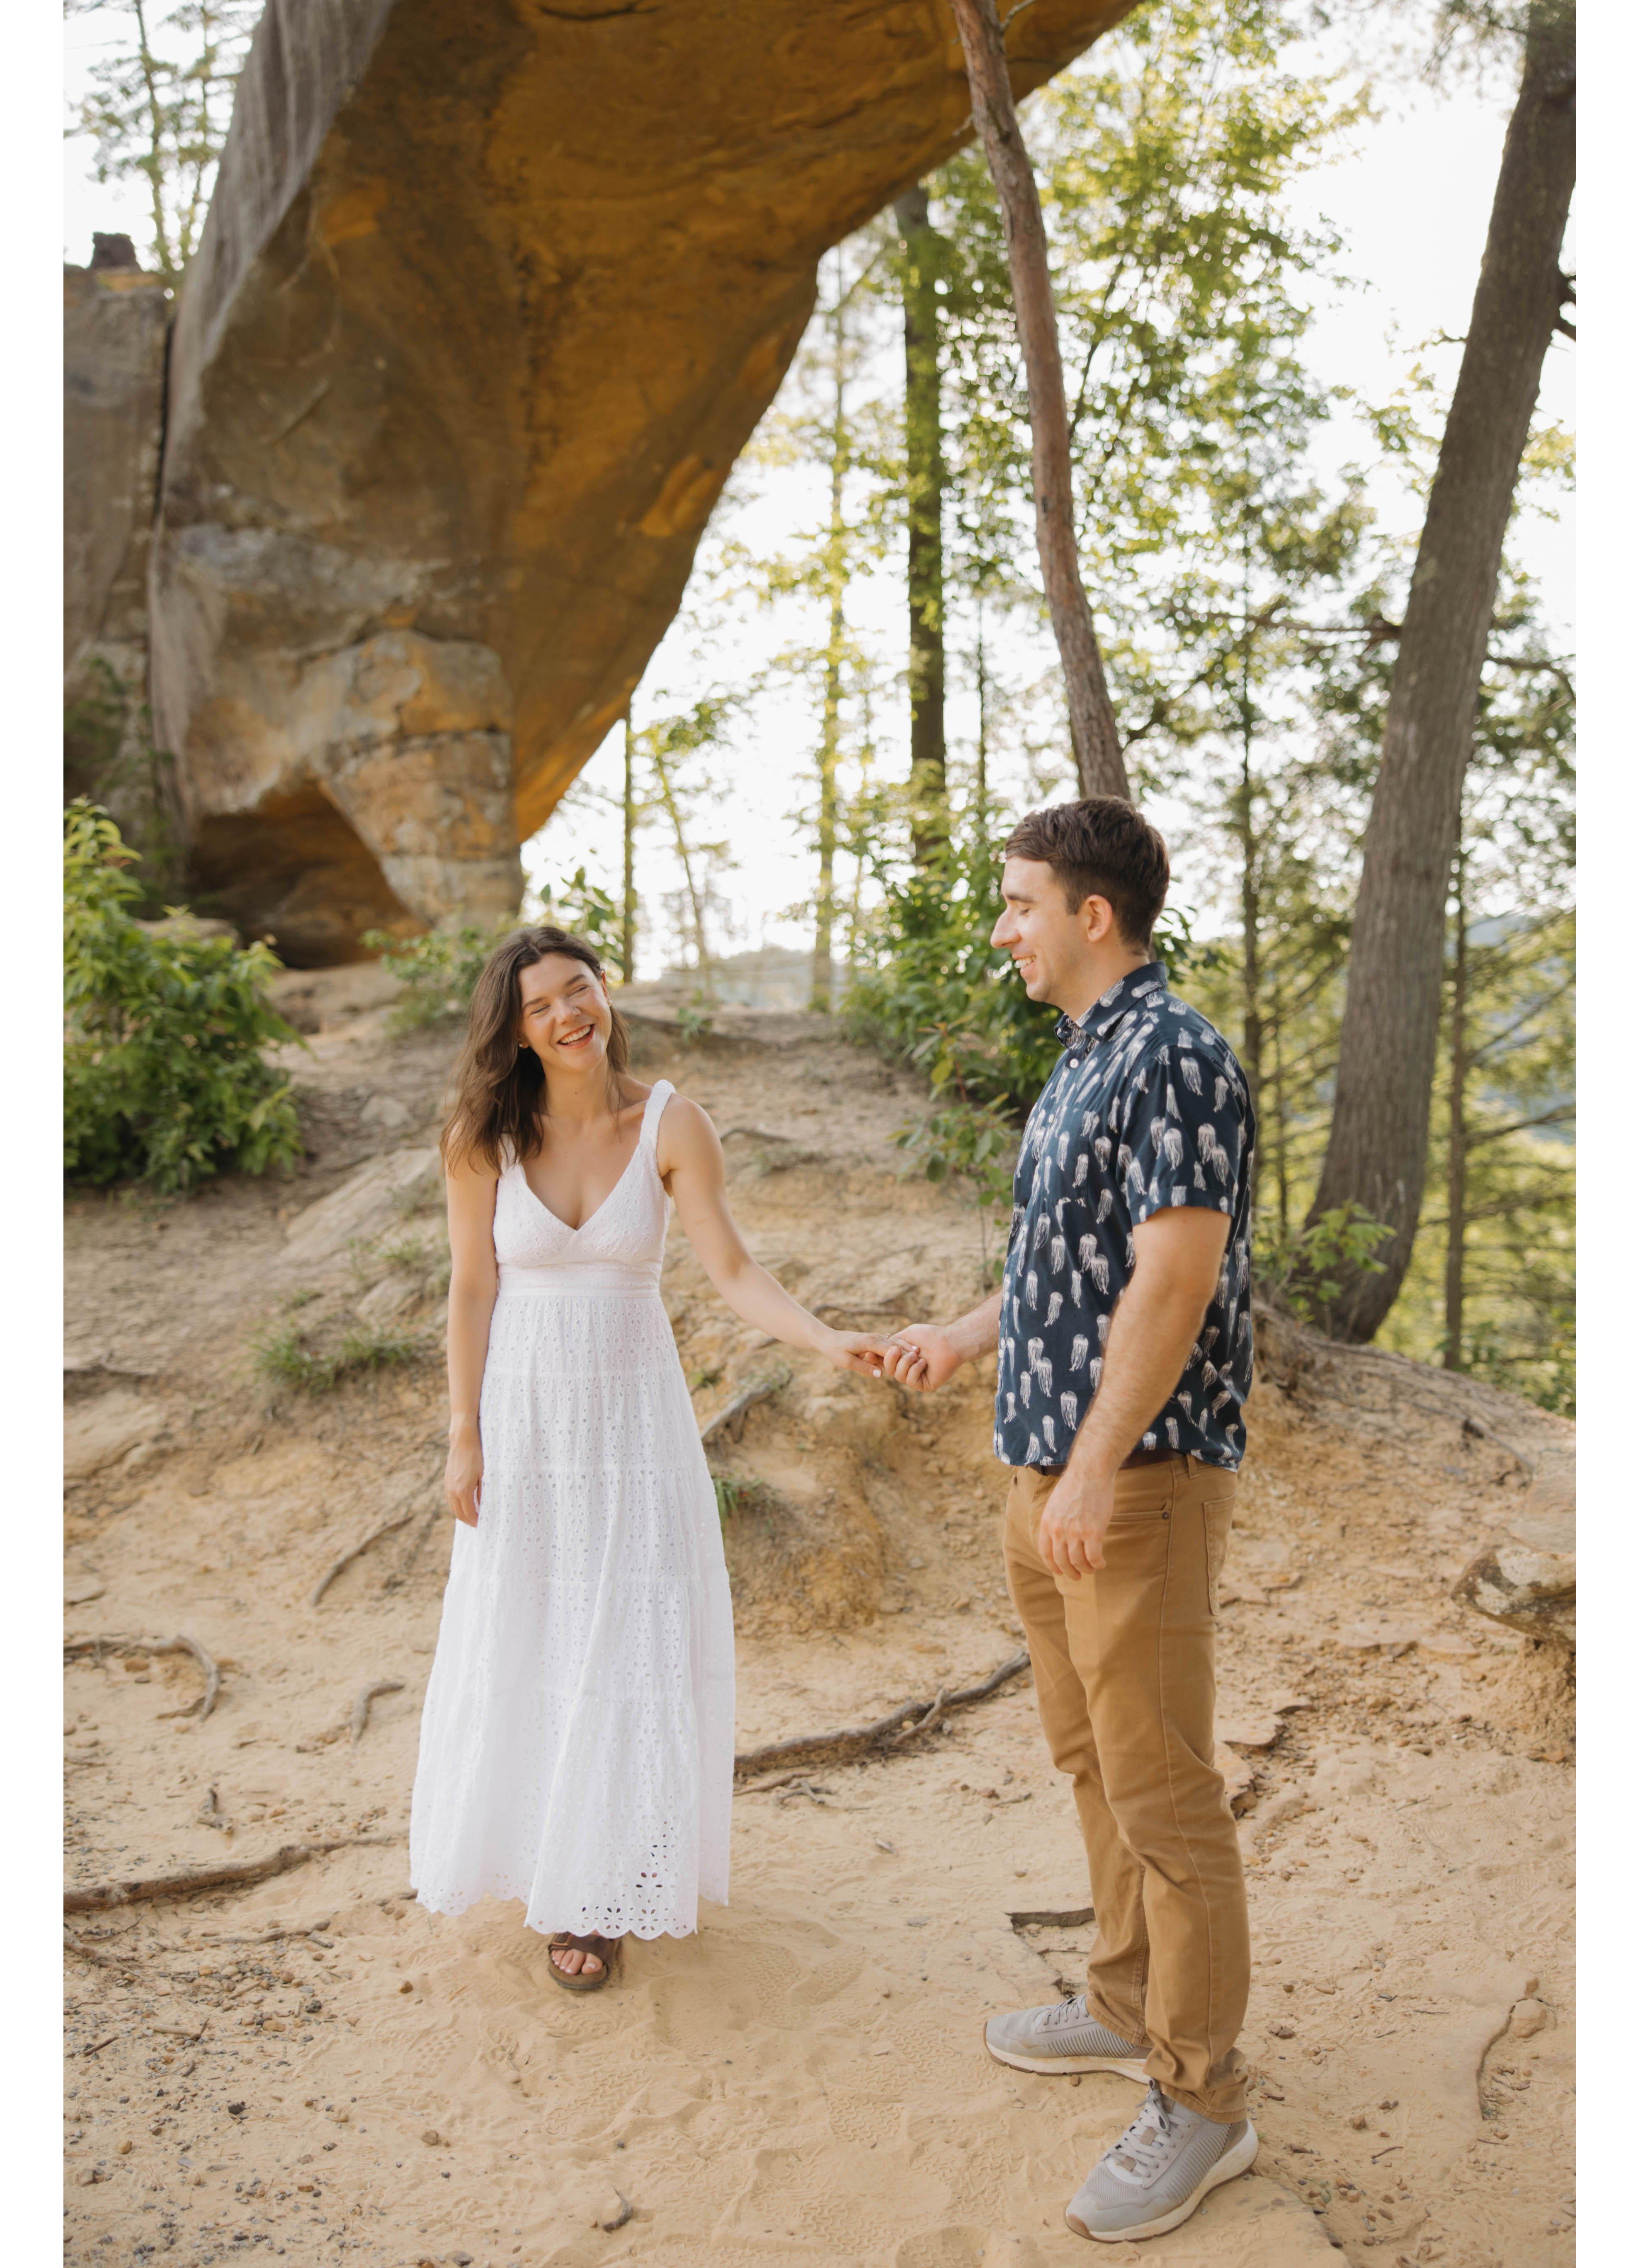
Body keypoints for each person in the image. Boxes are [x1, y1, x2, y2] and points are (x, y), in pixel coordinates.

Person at [884, 800, 1260, 2245]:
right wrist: (966, 1335)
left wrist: (1100, 1466)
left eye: (1019, 900)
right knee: (1092, 1757)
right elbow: (1074, 1267)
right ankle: (1119, 1999)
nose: (1003, 926)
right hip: (1044, 1460)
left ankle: (1203, 2092)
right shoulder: (1087, 1057)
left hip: (1135, 1477)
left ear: (1091, 915)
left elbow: (1173, 1280)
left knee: (1163, 1787)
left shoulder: (1175, 1054)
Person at [407, 925, 887, 1989]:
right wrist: (463, 1430)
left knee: (625, 1634)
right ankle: (549, 1858)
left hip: (631, 1421)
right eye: (539, 1007)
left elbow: (731, 1267)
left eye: (577, 990)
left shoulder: (671, 1123)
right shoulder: (482, 1137)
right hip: (525, 1419)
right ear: (517, 1030)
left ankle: (604, 1880)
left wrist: (822, 1337)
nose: (566, 1015)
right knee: (535, 1625)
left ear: (604, 992)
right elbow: (472, 1288)